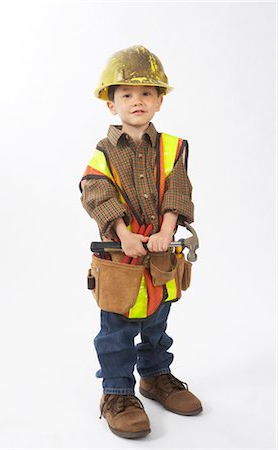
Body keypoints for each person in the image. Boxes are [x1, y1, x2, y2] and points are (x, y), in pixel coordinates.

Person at [79, 45, 202, 439]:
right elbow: (95, 192)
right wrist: (124, 233)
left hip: (161, 258)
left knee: (157, 322)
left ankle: (155, 376)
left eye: (146, 93)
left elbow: (178, 189)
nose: (137, 101)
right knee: (116, 329)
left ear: (159, 101)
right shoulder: (104, 152)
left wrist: (167, 231)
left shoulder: (171, 149)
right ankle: (116, 392)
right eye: (126, 95)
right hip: (120, 261)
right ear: (110, 104)